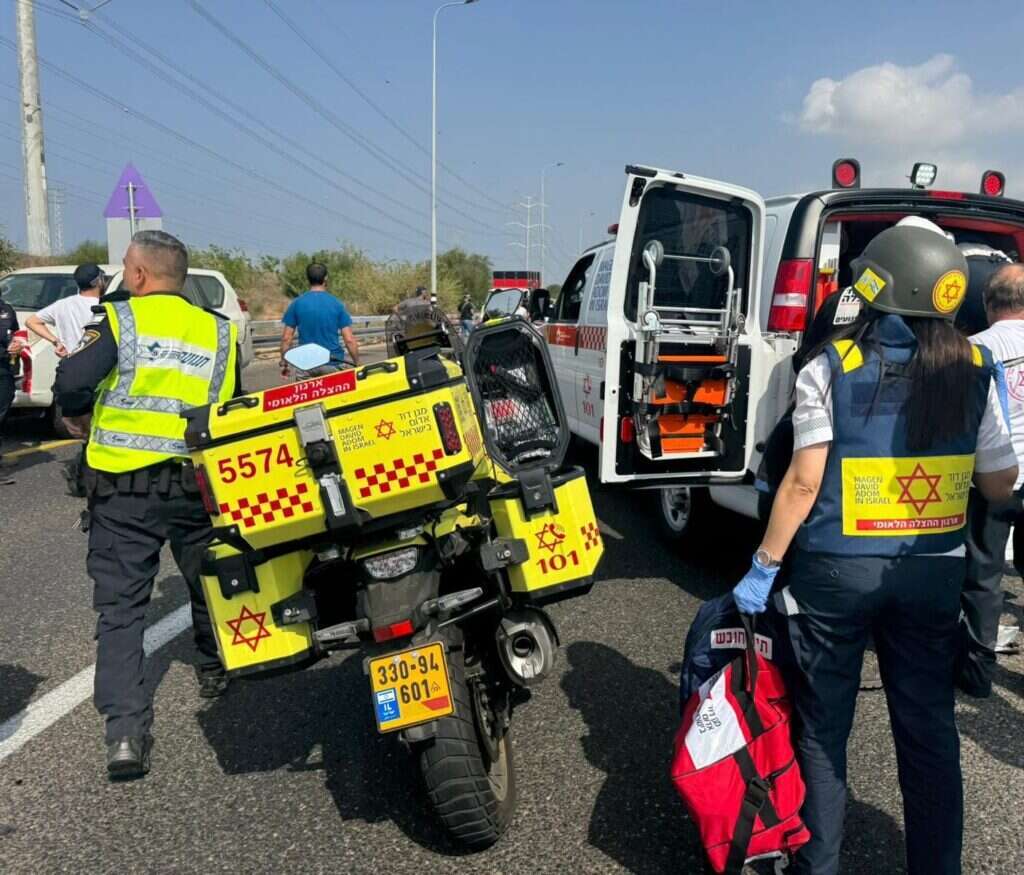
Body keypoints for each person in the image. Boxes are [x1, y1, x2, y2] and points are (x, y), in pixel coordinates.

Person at [731, 224, 1017, 875]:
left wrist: (762, 567)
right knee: (928, 733)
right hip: (933, 580)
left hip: (833, 579)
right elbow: (1000, 483)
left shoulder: (832, 365)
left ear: (877, 284)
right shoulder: (977, 371)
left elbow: (803, 482)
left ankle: (819, 866)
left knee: (822, 736)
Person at [53, 230, 239, 781]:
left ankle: (126, 735)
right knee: (208, 580)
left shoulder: (119, 320)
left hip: (123, 492)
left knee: (121, 611)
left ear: (136, 276)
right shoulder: (220, 333)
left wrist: (77, 416)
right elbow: (227, 407)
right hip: (193, 484)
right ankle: (215, 668)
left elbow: (73, 380)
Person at [961, 262, 1024, 690]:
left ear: (986, 305)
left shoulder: (971, 350)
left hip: (992, 477)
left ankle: (977, 674)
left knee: (982, 576)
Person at [280, 263, 359, 370]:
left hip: (306, 365)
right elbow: (349, 339)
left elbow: (286, 338)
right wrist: (357, 363)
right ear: (325, 278)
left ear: (308, 279)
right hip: (333, 362)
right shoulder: (336, 304)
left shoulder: (297, 303)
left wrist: (284, 363)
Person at [25, 263, 107, 357]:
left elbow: (31, 321)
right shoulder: (105, 306)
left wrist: (56, 342)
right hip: (99, 364)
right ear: (98, 281)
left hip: (70, 364)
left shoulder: (62, 305)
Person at [0, 296, 21, 463]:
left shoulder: (7, 310)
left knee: (3, 408)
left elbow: (16, 334)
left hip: (4, 366)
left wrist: (16, 344)